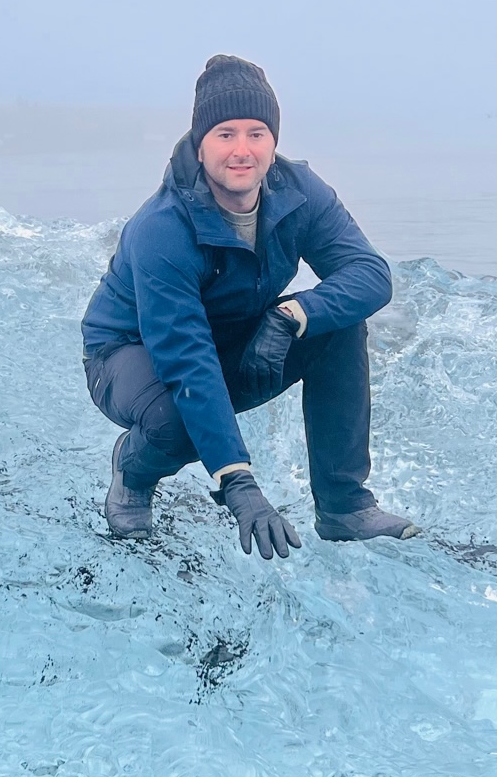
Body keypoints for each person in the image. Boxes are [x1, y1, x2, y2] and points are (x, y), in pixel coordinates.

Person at [80, 54, 421, 559]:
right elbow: (185, 355)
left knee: (339, 326)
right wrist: (238, 484)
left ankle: (344, 505)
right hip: (130, 354)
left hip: (236, 338)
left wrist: (291, 317)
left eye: (257, 133)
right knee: (178, 421)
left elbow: (370, 275)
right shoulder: (161, 228)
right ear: (201, 143)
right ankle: (133, 470)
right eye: (225, 134)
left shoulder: (301, 192)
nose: (242, 150)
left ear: (273, 141)